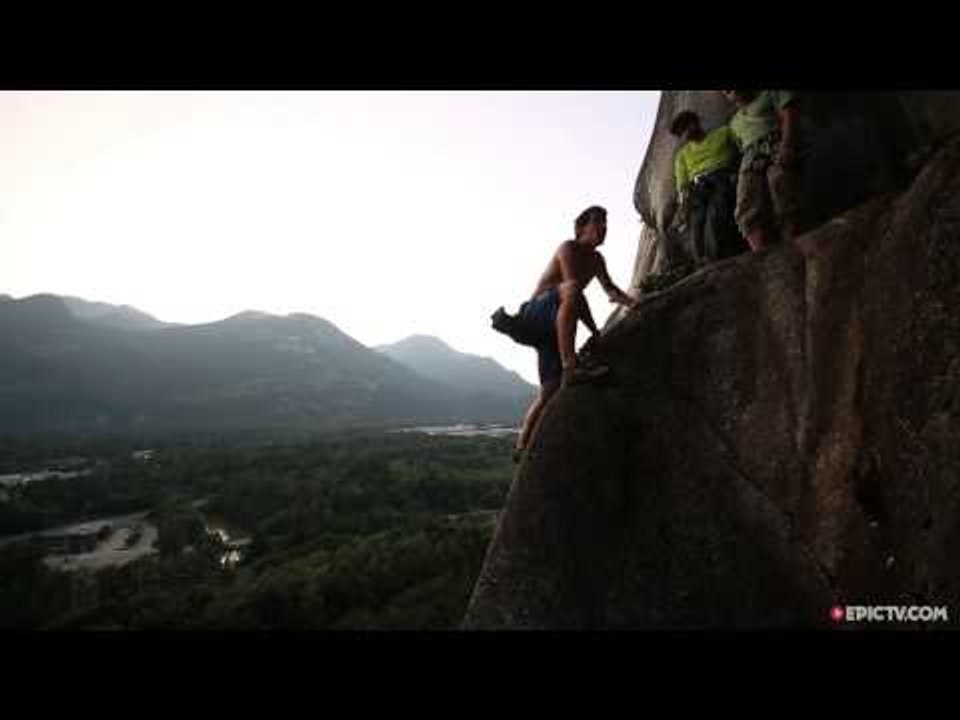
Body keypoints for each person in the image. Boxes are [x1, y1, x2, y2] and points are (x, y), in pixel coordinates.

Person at [508, 205, 637, 461]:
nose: (603, 229)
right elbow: (572, 291)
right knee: (572, 288)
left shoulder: (598, 260)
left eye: (605, 224)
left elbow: (611, 291)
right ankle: (571, 364)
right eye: (597, 223)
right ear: (581, 228)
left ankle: (522, 446)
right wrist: (593, 330)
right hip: (535, 315)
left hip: (556, 326)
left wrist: (637, 303)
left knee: (549, 390)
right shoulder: (568, 248)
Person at [721, 90, 802, 250]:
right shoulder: (734, 123)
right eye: (726, 91)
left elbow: (788, 114)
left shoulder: (769, 94)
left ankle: (793, 243)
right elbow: (740, 146)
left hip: (775, 142)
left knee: (780, 183)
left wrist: (787, 145)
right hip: (750, 157)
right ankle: (761, 254)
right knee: (745, 205)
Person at [669, 110, 745, 265]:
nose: (685, 133)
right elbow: (682, 185)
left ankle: (720, 256)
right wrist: (684, 203)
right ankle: (703, 259)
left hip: (722, 178)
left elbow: (741, 150)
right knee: (696, 222)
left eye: (686, 127)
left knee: (717, 211)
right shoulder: (682, 155)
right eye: (681, 133)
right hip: (698, 187)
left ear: (695, 122)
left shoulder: (724, 133)